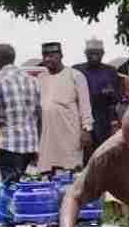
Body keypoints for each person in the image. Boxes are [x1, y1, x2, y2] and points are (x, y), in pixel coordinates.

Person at [0, 43, 42, 181]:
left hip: (9, 146)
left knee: (9, 190)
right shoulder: (33, 80)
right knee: (25, 188)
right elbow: (39, 117)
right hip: (30, 146)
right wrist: (38, 146)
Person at [36, 41, 93, 172]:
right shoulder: (40, 78)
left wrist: (86, 129)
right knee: (47, 173)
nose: (47, 59)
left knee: (71, 172)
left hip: (70, 133)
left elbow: (85, 105)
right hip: (47, 135)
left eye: (52, 55)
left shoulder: (75, 75)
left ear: (61, 55)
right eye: (45, 56)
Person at [72, 37, 122, 162]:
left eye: (97, 53)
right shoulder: (77, 69)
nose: (94, 56)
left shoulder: (110, 71)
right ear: (85, 54)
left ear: (102, 54)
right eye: (90, 53)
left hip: (104, 121)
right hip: (81, 121)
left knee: (104, 157)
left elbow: (117, 97)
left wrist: (110, 93)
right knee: (84, 159)